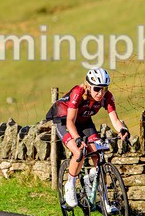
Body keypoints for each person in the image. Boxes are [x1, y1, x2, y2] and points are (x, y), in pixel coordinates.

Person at [46, 67, 130, 208]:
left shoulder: (107, 96)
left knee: (98, 153)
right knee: (79, 152)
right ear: (88, 86)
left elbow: (115, 119)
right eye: (97, 89)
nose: (100, 93)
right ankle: (70, 186)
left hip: (84, 121)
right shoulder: (78, 93)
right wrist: (77, 139)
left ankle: (104, 200)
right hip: (64, 120)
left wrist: (122, 129)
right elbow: (70, 122)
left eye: (104, 88)